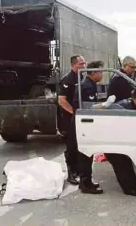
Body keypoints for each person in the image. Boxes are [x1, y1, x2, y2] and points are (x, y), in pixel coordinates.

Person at [105, 89, 136, 196]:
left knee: (127, 165)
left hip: (118, 141)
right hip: (112, 143)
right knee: (122, 166)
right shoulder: (125, 107)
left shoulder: (129, 105)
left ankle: (134, 186)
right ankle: (129, 189)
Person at [75, 60, 105, 194]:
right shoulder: (87, 86)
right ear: (93, 73)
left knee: (88, 153)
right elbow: (89, 107)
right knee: (85, 154)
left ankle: (86, 181)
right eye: (100, 71)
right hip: (84, 123)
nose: (102, 74)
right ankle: (85, 183)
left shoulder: (90, 84)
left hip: (85, 122)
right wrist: (104, 105)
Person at [57, 55, 86, 185]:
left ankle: (79, 170)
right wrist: (73, 113)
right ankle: (71, 173)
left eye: (84, 63)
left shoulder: (81, 77)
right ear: (74, 65)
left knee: (80, 145)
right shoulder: (67, 80)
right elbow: (61, 100)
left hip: (79, 118)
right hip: (69, 118)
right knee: (72, 145)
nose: (83, 66)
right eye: (81, 64)